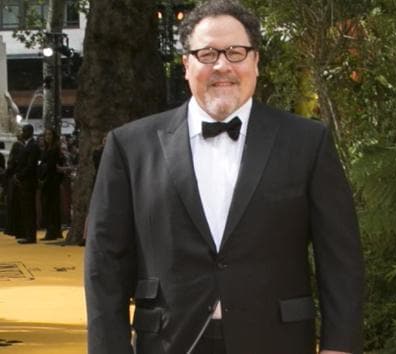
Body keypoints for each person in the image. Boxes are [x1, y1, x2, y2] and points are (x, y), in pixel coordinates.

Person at [84, 1, 364, 354]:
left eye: (235, 52)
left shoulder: (308, 142)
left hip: (277, 340)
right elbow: (104, 263)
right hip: (168, 342)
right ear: (186, 64)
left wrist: (340, 346)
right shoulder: (130, 146)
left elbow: (340, 258)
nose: (222, 66)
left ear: (255, 61)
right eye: (207, 53)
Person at [14, 124, 41, 244]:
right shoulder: (28, 145)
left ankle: (31, 236)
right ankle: (28, 234)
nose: (22, 133)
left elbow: (31, 166)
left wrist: (19, 175)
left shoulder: (33, 146)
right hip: (25, 181)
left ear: (30, 132)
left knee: (29, 208)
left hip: (28, 181)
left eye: (24, 131)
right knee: (26, 208)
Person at [39, 128, 65, 240]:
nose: (47, 137)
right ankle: (55, 231)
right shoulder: (48, 149)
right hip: (49, 180)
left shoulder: (54, 149)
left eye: (49, 134)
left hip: (51, 181)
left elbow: (50, 166)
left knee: (51, 207)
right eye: (46, 135)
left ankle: (52, 232)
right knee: (51, 207)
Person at [3, 134, 23, 238]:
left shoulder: (13, 159)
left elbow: (8, 171)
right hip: (17, 184)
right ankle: (18, 230)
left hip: (13, 185)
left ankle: (13, 229)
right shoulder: (21, 158)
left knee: (13, 207)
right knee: (18, 208)